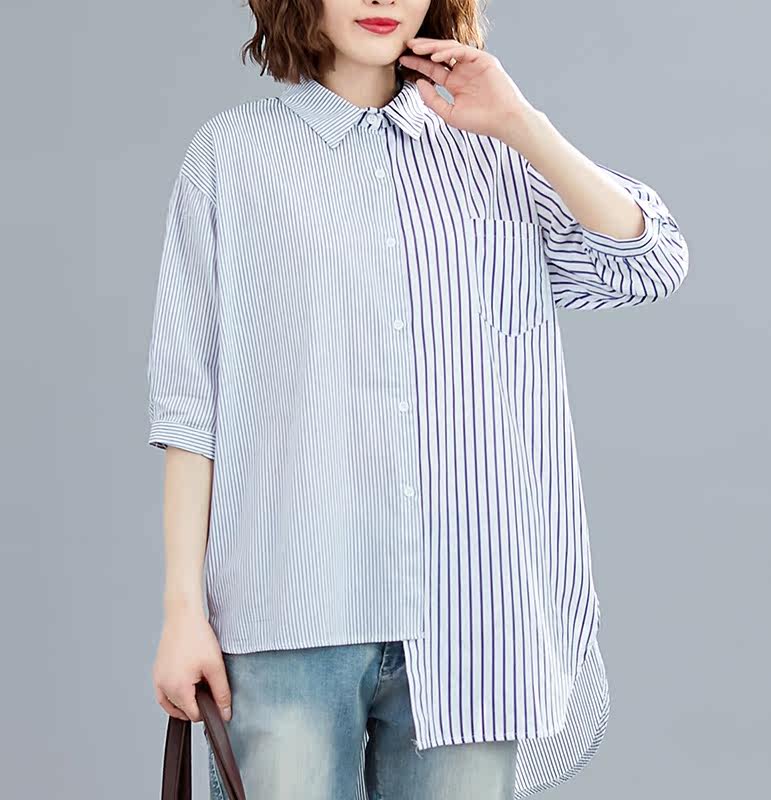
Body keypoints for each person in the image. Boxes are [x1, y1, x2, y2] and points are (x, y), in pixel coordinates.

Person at [146, 1, 689, 798]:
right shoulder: (231, 157)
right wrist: (181, 612)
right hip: (290, 607)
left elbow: (649, 263)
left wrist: (520, 122)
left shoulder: (495, 154)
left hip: (472, 614)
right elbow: (192, 409)